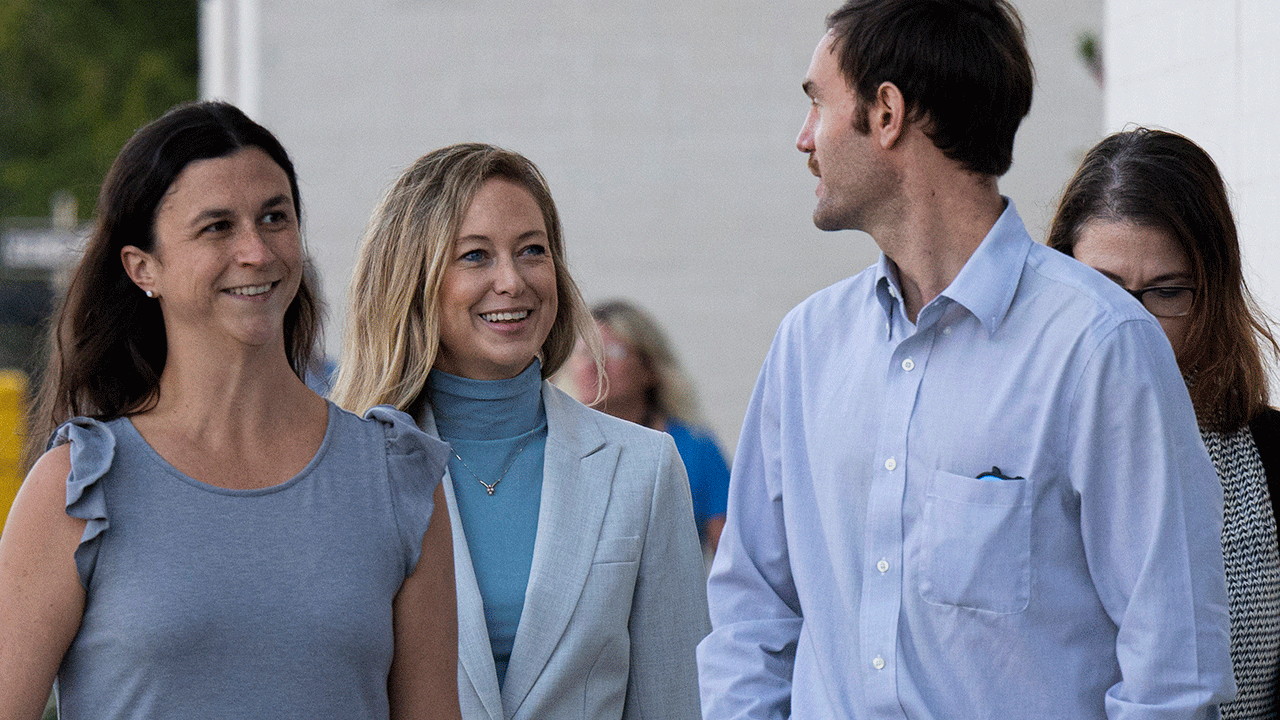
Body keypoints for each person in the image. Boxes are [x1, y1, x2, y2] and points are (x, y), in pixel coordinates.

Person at [696, 1, 1235, 718]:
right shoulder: (805, 348)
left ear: (886, 113)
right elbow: (749, 620)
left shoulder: (1100, 347)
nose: (804, 138)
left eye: (817, 103)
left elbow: (1173, 672)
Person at [0, 101, 460, 720]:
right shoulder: (77, 488)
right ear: (143, 268)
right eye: (217, 227)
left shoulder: (395, 477)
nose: (256, 251)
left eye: (275, 217)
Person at [331, 143, 708, 719]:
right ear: (413, 277)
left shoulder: (644, 467)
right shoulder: (348, 470)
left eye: (532, 250)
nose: (512, 280)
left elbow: (675, 703)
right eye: (475, 256)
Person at [1048, 127, 1280, 719]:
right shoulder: (1014, 444)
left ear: (1212, 296)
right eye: (1101, 289)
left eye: (1166, 292)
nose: (1131, 324)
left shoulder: (1268, 455)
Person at [564, 299, 732, 555]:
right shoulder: (556, 444)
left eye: (612, 352)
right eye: (583, 352)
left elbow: (731, 558)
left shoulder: (696, 448)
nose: (593, 364)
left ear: (651, 369)